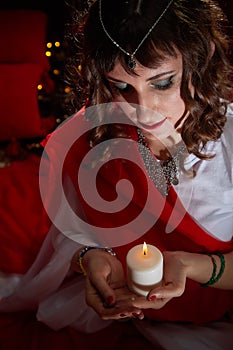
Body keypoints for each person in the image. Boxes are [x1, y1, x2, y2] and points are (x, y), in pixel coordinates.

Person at [0, 0, 233, 349]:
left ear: (200, 58)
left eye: (163, 83)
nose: (141, 110)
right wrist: (89, 257)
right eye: (121, 87)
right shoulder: (89, 138)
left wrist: (194, 266)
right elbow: (77, 230)